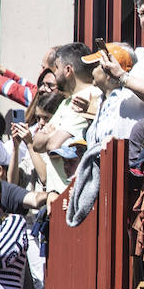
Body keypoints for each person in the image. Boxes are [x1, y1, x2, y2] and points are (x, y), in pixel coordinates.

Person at [30, 43, 97, 195]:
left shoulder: (89, 98)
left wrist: (48, 136)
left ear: (68, 70)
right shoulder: (66, 101)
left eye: (57, 68)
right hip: (56, 198)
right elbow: (37, 143)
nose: (55, 73)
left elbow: (53, 145)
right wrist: (48, 137)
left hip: (70, 197)